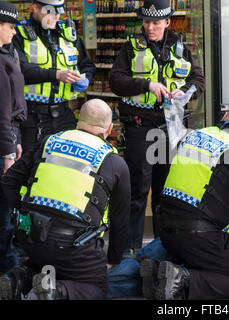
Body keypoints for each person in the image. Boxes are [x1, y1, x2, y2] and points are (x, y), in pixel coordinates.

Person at [136, 101, 229, 300]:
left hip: (165, 231)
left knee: (193, 258)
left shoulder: (194, 136)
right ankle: (181, 278)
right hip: (199, 236)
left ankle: (157, 272)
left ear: (224, 118)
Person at [0, 99, 130, 300]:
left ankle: (18, 279)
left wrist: (25, 211)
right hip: (74, 246)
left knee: (41, 263)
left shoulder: (48, 142)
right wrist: (113, 258)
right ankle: (57, 292)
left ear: (79, 120)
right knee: (97, 287)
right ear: (109, 127)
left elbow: (9, 182)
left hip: (32, 235)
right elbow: (120, 219)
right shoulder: (114, 162)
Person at [109, 0, 205, 255]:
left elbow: (198, 80)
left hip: (171, 126)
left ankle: (164, 248)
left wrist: (185, 92)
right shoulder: (130, 47)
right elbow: (115, 81)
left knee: (166, 190)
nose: (150, 27)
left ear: (167, 22)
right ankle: (130, 251)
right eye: (146, 22)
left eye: (155, 22)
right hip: (140, 125)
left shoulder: (181, 47)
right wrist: (146, 85)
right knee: (138, 189)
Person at [12, 0, 96, 153]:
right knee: (31, 167)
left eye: (58, 12)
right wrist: (57, 74)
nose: (55, 17)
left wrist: (85, 79)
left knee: (65, 164)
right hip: (32, 117)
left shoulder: (67, 32)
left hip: (64, 114)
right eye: (50, 12)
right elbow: (20, 70)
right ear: (35, 7)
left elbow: (87, 65)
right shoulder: (19, 33)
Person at [0, 0, 28, 274]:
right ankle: (8, 272)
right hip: (4, 141)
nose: (14, 32)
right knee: (5, 213)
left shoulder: (6, 53)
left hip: (10, 136)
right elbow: (2, 111)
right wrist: (9, 152)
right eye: (10, 26)